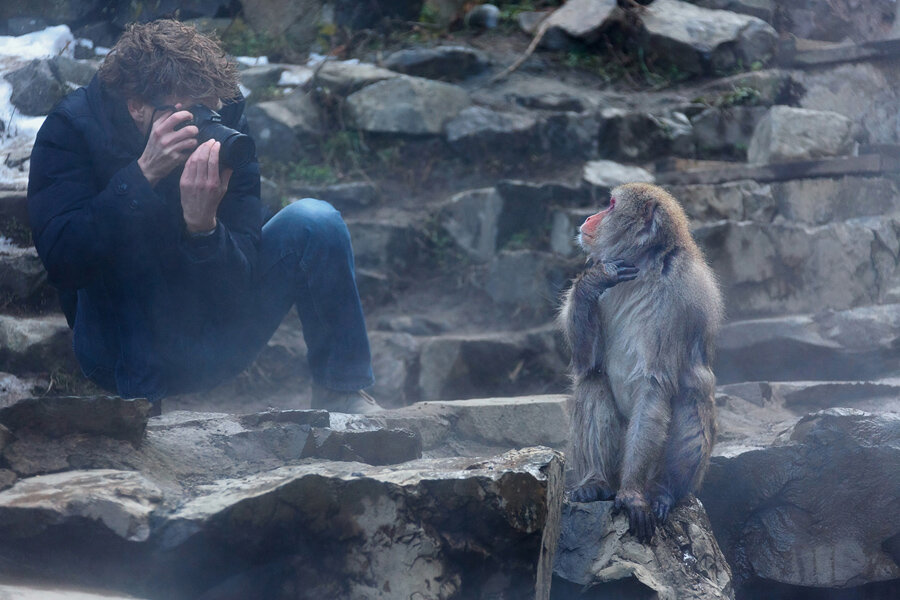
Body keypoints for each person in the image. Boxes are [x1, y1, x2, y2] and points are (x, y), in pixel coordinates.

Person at [27, 19, 379, 414]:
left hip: (213, 339)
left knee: (316, 221)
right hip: (114, 352)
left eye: (209, 111)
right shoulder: (71, 128)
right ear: (136, 106)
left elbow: (239, 282)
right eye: (188, 113)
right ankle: (141, 414)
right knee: (132, 233)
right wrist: (141, 180)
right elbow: (63, 261)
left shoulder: (227, 128)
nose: (206, 127)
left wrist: (205, 230)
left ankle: (341, 391)